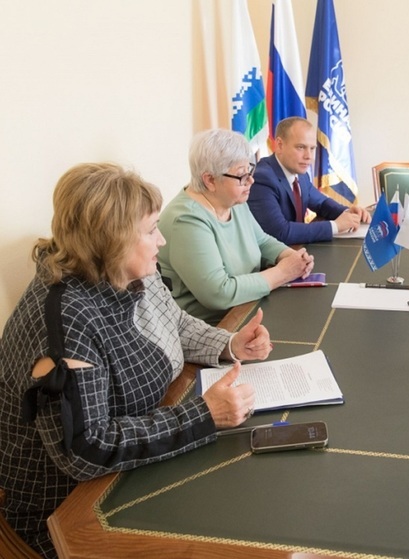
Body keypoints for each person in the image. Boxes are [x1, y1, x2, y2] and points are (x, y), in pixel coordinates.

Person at [0, 163, 272, 558]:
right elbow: (86, 448)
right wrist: (203, 416)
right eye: (150, 230)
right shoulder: (65, 322)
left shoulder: (127, 271)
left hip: (132, 468)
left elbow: (173, 322)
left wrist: (230, 344)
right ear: (111, 239)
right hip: (67, 515)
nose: (161, 240)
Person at [158, 129, 315, 325]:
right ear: (210, 180)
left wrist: (289, 256)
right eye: (242, 175)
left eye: (250, 171)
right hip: (213, 329)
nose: (251, 180)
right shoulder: (185, 221)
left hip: (248, 306)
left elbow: (261, 240)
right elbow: (219, 293)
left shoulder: (233, 199)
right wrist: (284, 273)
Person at [249, 117, 371, 244]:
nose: (308, 156)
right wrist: (335, 226)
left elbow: (321, 203)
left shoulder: (299, 172)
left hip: (296, 251)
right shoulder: (262, 179)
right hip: (271, 260)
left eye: (312, 148)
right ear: (279, 145)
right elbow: (280, 232)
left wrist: (347, 212)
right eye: (301, 147)